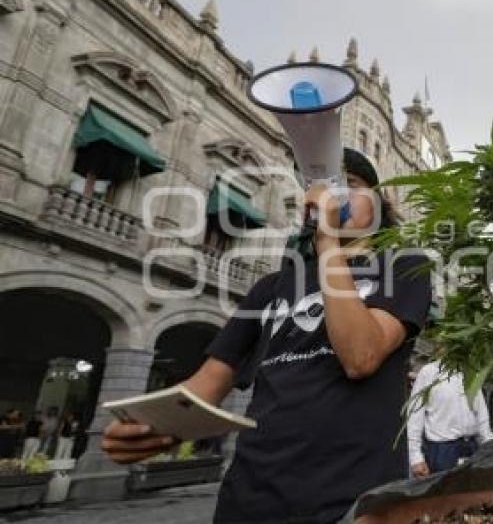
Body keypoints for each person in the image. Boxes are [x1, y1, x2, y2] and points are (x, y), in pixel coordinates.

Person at [101, 149, 432, 523]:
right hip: (251, 498)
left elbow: (361, 357)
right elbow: (206, 384)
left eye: (349, 185)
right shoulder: (271, 288)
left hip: (355, 503)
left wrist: (327, 242)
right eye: (322, 188)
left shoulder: (404, 267)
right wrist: (152, 426)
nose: (333, 197)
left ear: (379, 201)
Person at [407, 359, 493, 477]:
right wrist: (416, 457)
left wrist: (491, 447)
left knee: (471, 492)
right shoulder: (428, 372)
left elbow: (481, 413)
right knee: (444, 494)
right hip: (442, 451)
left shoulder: (471, 372)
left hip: (471, 447)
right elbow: (415, 415)